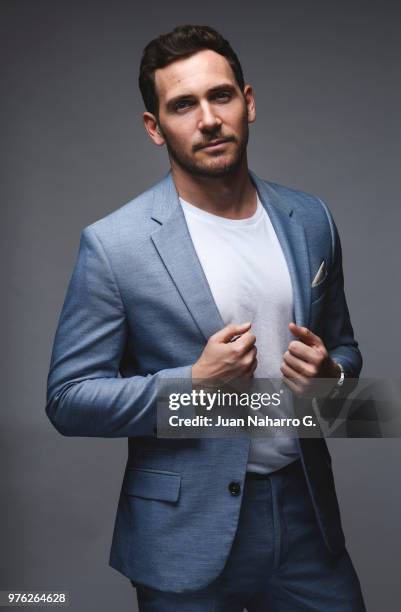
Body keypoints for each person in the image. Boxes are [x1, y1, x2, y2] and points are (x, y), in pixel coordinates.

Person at [46, 24, 366, 611]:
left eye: (220, 97)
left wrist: (332, 379)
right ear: (154, 127)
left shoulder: (310, 218)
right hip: (182, 532)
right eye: (183, 105)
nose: (208, 119)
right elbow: (68, 399)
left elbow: (344, 351)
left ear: (247, 102)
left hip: (306, 517)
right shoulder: (115, 246)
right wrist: (192, 388)